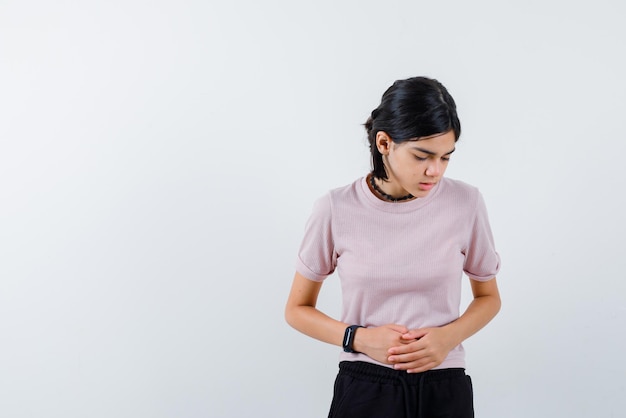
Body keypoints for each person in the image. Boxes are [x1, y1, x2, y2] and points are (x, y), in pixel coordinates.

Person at [285, 76, 501, 418]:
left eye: (446, 157)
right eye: (422, 156)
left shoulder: (466, 202)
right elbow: (296, 309)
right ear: (384, 142)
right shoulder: (336, 208)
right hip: (365, 387)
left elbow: (489, 297)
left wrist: (447, 339)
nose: (435, 171)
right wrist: (358, 339)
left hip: (444, 386)